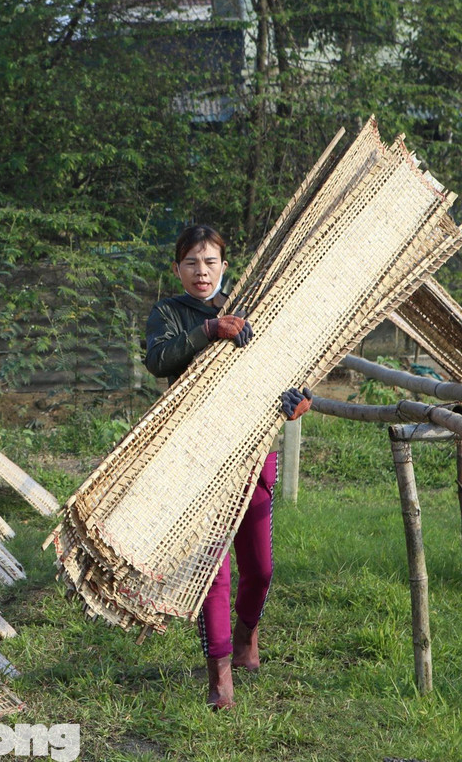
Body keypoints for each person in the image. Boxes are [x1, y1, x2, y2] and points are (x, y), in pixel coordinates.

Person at [144, 224, 311, 710]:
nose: (201, 271)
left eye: (210, 261)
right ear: (177, 269)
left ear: (224, 266)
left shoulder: (252, 309)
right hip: (197, 457)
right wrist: (209, 330)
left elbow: (287, 369)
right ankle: (219, 675)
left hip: (254, 453)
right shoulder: (170, 313)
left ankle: (247, 636)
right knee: (212, 571)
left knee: (259, 567)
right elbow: (159, 360)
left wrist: (300, 398)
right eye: (191, 262)